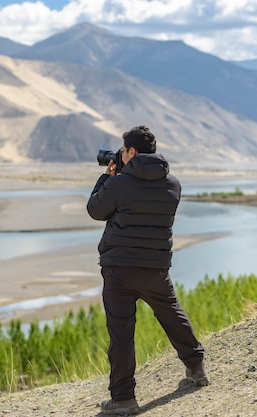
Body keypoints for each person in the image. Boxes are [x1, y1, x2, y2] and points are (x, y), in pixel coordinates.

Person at [87, 125, 210, 415]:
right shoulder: (173, 184)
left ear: (130, 151)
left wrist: (105, 179)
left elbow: (95, 209)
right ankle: (196, 369)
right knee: (172, 315)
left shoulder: (118, 184)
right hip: (156, 267)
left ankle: (123, 399)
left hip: (119, 269)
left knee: (121, 332)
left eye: (123, 150)